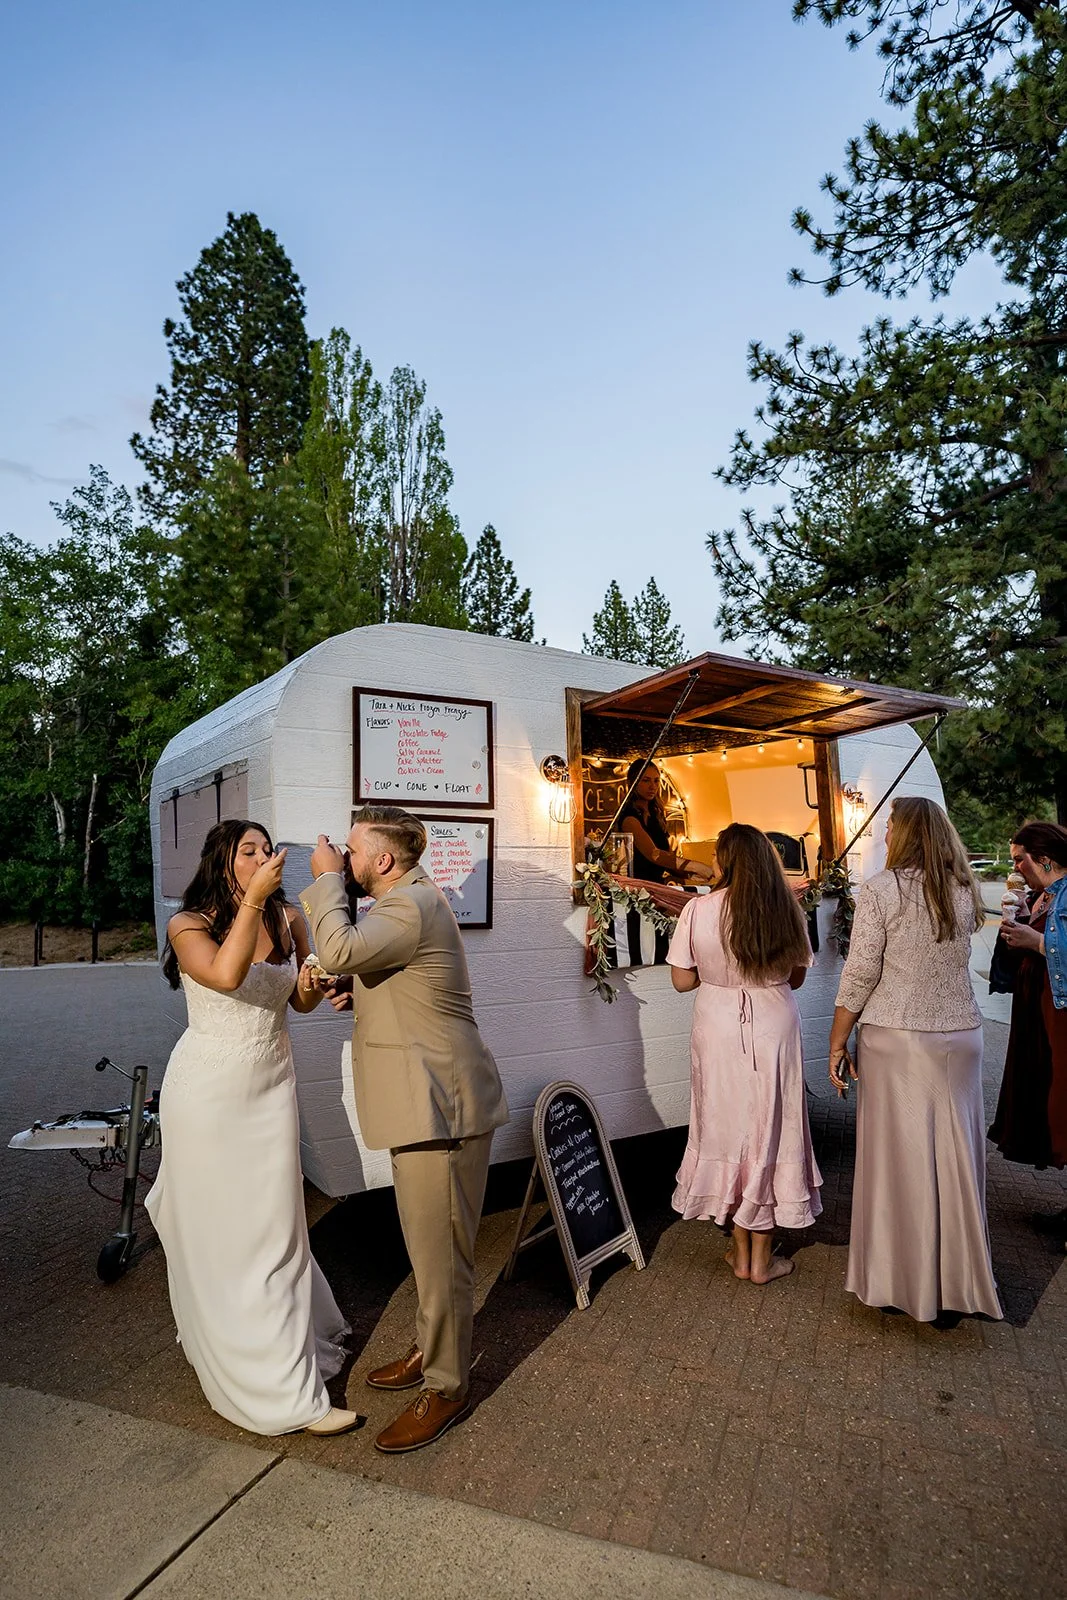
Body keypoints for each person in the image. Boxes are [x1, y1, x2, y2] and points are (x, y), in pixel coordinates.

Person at [301, 806, 508, 1453]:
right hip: (425, 1105)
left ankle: (446, 1387)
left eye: (354, 851)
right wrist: (358, 991)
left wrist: (325, 880)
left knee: (440, 1253)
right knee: (430, 1248)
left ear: (383, 861)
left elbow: (336, 946)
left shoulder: (408, 906)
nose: (345, 857)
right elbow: (379, 972)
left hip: (438, 1109)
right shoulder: (407, 906)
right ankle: (431, 1348)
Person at [146, 821, 356, 1436]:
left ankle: (283, 1360)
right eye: (249, 851)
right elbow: (228, 975)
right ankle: (272, 1384)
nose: (264, 858)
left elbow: (297, 1002)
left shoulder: (287, 920)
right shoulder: (188, 925)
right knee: (223, 1229)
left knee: (278, 1226)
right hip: (209, 1093)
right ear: (223, 860)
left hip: (271, 1087)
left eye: (268, 850)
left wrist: (315, 981)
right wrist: (257, 900)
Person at [829, 796, 1002, 1323]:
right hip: (962, 1037)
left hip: (899, 1038)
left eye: (888, 828)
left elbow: (860, 974)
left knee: (897, 1161)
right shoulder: (964, 889)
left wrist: (837, 1041)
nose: (883, 836)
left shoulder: (881, 891)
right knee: (955, 1159)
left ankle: (900, 1282)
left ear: (902, 834)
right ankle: (954, 1284)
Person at [669, 822, 822, 1284]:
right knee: (773, 1125)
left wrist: (718, 974)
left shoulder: (699, 909)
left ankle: (740, 1254)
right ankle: (762, 1257)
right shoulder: (787, 909)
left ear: (726, 861)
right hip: (773, 1019)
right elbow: (796, 978)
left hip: (716, 1023)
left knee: (724, 1124)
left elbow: (681, 980)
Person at [992, 821, 1067, 1241]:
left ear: (1044, 858)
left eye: (1020, 858)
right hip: (1043, 1012)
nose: (1016, 866)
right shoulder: (1048, 895)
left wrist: (1034, 941)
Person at [616, 759, 705, 964]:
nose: (652, 786)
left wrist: (689, 874)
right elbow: (654, 854)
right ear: (634, 782)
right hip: (638, 892)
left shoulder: (656, 814)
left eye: (656, 781)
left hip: (658, 889)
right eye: (646, 780)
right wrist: (695, 866)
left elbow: (664, 857)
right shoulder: (629, 817)